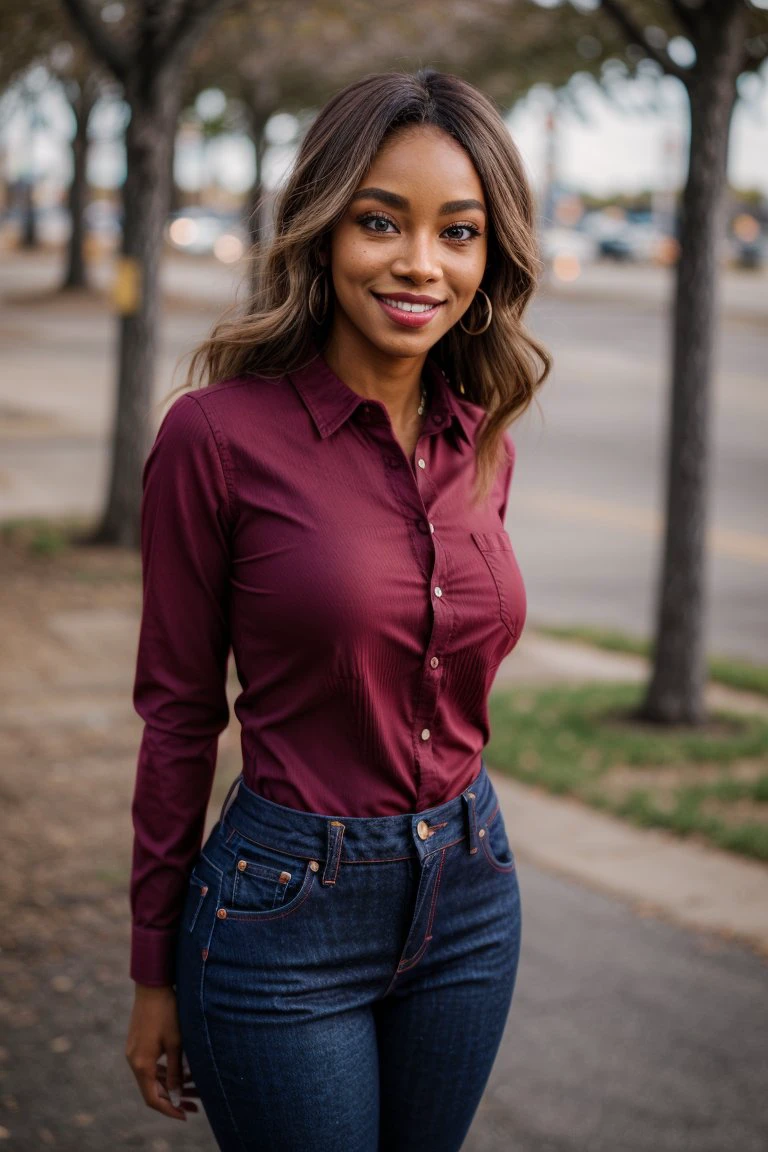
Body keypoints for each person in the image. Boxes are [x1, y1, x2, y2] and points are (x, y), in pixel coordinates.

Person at [124, 67, 550, 1152]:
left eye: (459, 232)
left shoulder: (481, 437)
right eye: (380, 222)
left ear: (490, 255)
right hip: (283, 916)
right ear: (320, 232)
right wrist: (153, 969)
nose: (420, 262)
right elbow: (178, 713)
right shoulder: (214, 439)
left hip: (471, 894)